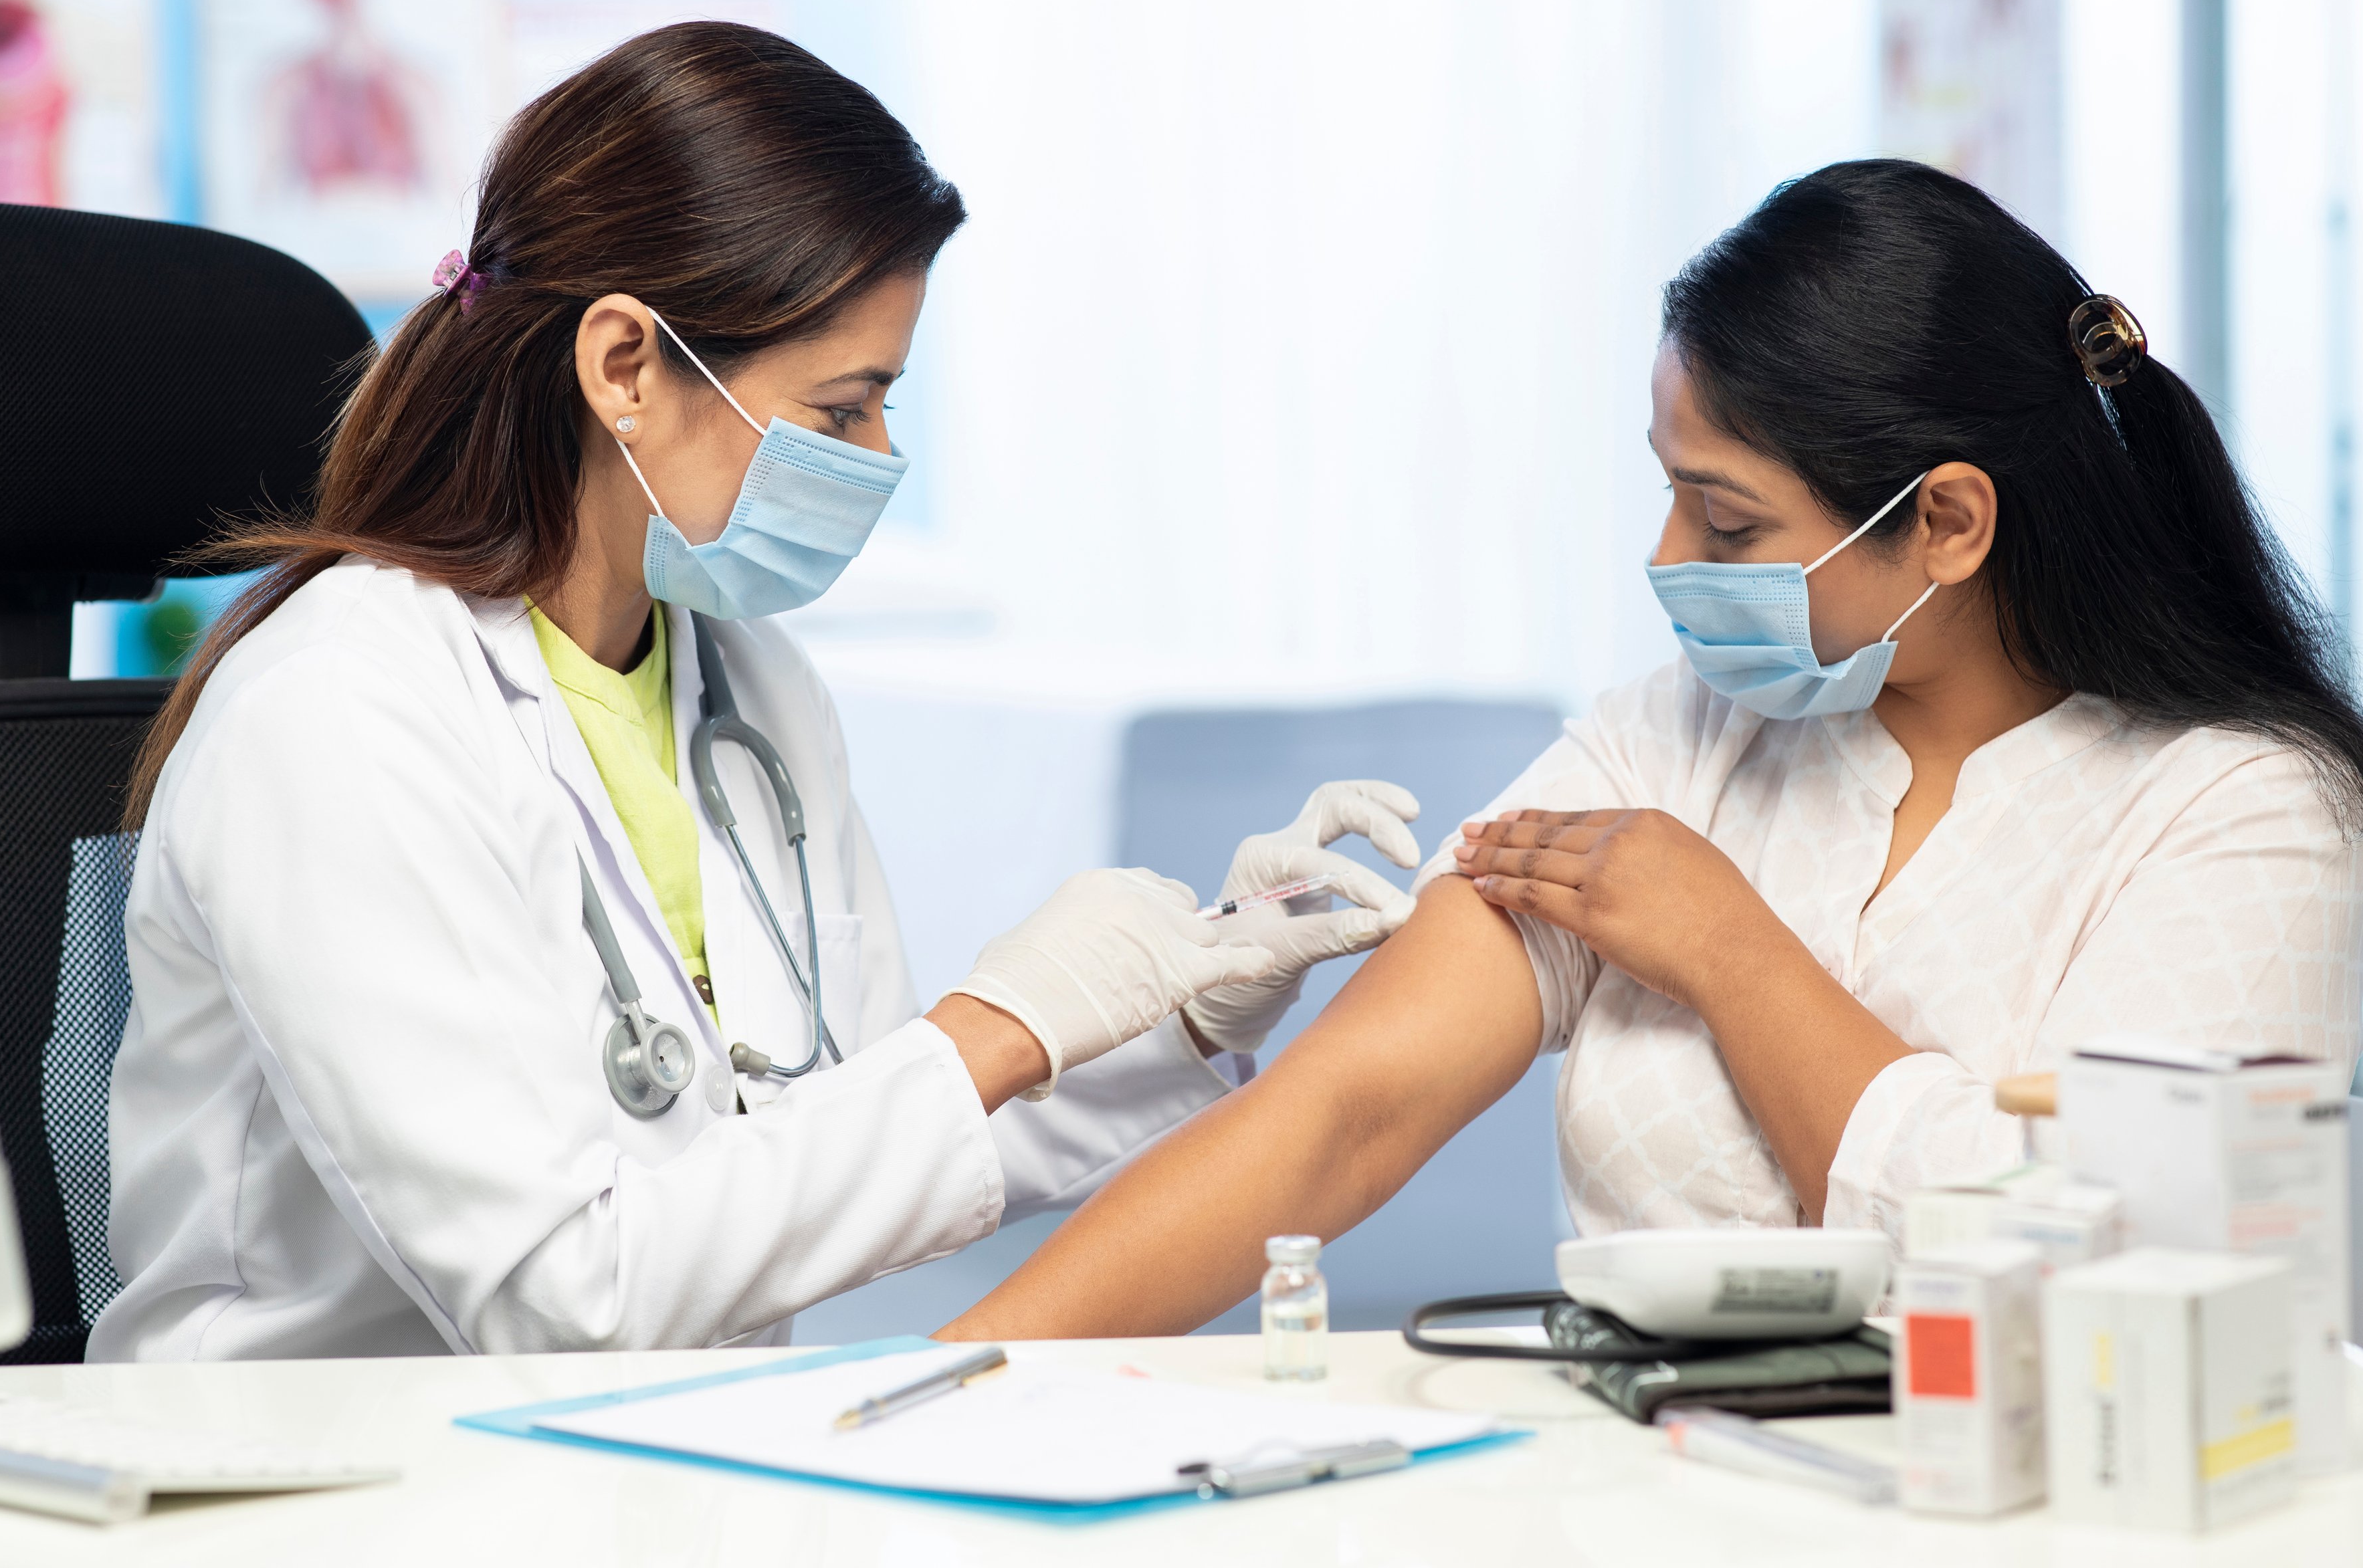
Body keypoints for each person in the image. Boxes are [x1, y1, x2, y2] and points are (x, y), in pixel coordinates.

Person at [89, 23, 1423, 1361]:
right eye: (842, 409)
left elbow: (851, 1141)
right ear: (625, 367)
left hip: (652, 1439)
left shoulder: (752, 689)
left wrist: (1175, 1009)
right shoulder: (338, 714)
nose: (880, 455)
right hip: (326, 1453)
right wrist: (999, 1024)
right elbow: (560, 1291)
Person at [936, 158, 2363, 1341]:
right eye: (1671, 494)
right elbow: (1347, 1111)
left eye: (1727, 521)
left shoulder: (2246, 811)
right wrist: (946, 1388)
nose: (1669, 557)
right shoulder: (1671, 738)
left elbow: (2084, 1266)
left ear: (1946, 522)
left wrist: (1728, 951)